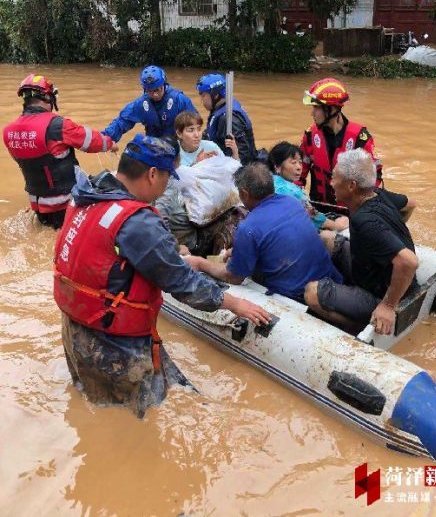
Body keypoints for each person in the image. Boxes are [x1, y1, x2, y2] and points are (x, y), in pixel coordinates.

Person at [53, 134, 271, 418]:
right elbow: (182, 284)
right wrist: (234, 304)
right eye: (169, 178)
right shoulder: (138, 220)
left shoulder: (88, 192)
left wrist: (172, 253)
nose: (168, 187)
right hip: (114, 343)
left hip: (76, 327)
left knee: (94, 410)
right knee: (137, 424)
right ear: (153, 174)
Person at [186, 162, 342, 303]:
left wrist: (200, 263)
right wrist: (238, 250)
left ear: (245, 194)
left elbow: (234, 277)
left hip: (297, 296)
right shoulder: (292, 202)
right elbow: (277, 239)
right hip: (329, 281)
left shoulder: (248, 228)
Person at [304, 149, 418, 336]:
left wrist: (388, 306)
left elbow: (409, 261)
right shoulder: (378, 194)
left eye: (334, 178)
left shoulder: (365, 221)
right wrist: (389, 232)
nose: (331, 183)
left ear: (351, 186)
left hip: (383, 293)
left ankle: (356, 327)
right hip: (370, 269)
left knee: (311, 292)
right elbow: (411, 203)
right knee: (326, 238)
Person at [3, 74, 117, 229]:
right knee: (111, 185)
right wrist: (111, 144)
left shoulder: (8, 132)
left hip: (38, 205)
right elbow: (92, 142)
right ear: (48, 98)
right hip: (65, 204)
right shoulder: (58, 125)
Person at [299, 78, 383, 213]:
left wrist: (366, 210)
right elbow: (299, 172)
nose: (312, 113)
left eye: (316, 107)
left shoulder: (360, 138)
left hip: (351, 209)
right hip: (318, 207)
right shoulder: (310, 135)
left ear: (331, 109)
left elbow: (374, 178)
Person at [268, 141, 349, 234]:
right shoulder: (292, 191)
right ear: (277, 166)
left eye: (300, 163)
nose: (299, 167)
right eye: (293, 163)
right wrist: (337, 225)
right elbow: (313, 217)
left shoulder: (265, 181)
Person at [102, 65, 195, 143]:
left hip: (176, 145)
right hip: (153, 146)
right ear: (145, 89)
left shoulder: (179, 100)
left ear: (164, 84)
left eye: (157, 90)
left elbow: (195, 123)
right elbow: (121, 122)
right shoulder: (141, 104)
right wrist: (103, 139)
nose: (155, 94)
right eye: (150, 91)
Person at [196, 72, 257, 165]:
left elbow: (242, 154)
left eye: (203, 95)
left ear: (215, 95)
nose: (202, 100)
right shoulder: (221, 108)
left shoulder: (228, 118)